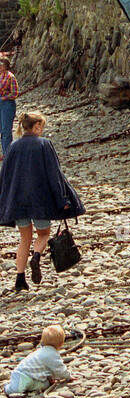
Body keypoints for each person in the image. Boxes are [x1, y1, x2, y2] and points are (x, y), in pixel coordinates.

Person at [0, 110, 85, 293]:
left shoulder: (13, 147)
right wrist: (63, 200)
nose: (42, 130)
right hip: (39, 200)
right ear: (37, 126)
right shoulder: (44, 145)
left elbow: (5, 176)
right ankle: (36, 256)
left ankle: (20, 279)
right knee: (44, 234)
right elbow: (54, 175)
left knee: (24, 239)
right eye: (41, 126)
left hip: (18, 201)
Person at [5, 325, 72, 396]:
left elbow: (46, 368)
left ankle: (28, 388)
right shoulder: (51, 354)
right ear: (61, 343)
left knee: (45, 384)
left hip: (33, 378)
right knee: (15, 390)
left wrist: (50, 378)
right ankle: (7, 388)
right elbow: (60, 369)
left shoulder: (43, 351)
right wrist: (68, 376)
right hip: (22, 375)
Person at [0, 55, 18, 158]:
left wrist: (3, 98)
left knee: (6, 130)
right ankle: (4, 152)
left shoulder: (10, 77)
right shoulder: (0, 76)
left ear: (6, 66)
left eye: (1, 65)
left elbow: (14, 93)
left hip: (7, 105)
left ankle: (8, 154)